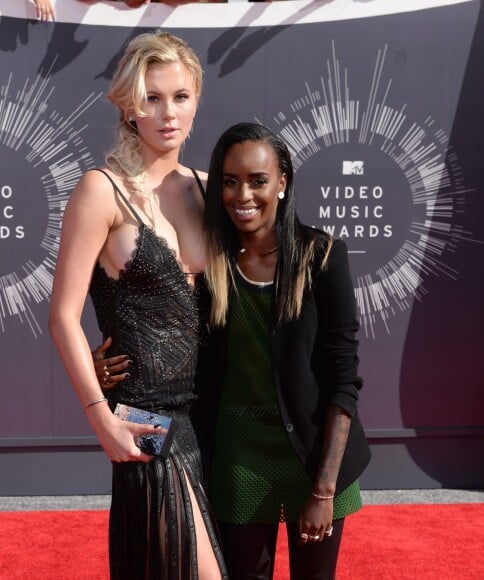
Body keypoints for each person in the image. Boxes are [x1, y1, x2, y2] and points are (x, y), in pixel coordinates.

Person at [96, 122, 371, 579]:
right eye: (229, 181)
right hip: (239, 459)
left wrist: (323, 490)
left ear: (282, 183)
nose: (243, 194)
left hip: (316, 458)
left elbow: (344, 378)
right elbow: (162, 328)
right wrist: (102, 364)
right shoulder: (211, 263)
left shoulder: (321, 256)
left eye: (258, 180)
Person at [49, 31, 226, 580]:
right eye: (151, 97)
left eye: (180, 96)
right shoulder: (101, 189)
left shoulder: (210, 189)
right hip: (145, 416)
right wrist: (101, 418)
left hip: (211, 412)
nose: (167, 112)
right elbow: (62, 315)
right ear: (129, 106)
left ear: (197, 99)